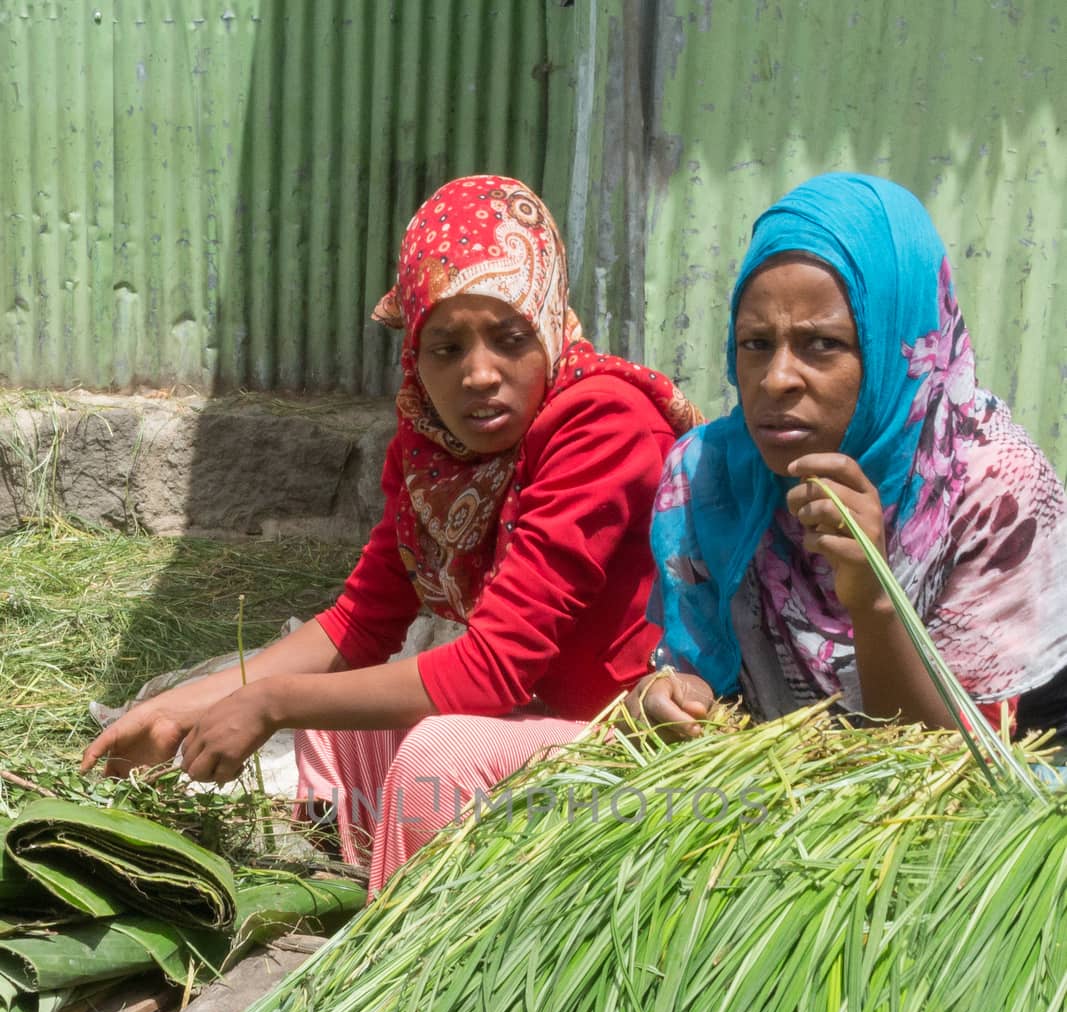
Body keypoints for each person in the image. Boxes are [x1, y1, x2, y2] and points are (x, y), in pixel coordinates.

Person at [82, 176, 701, 888]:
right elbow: (359, 625)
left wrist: (263, 701)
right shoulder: (431, 451)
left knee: (434, 751)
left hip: (630, 741)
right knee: (331, 728)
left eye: (509, 338)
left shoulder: (602, 423)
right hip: (532, 721)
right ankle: (360, 866)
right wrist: (174, 710)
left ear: (550, 324)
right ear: (413, 353)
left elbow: (492, 673)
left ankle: (407, 949)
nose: (478, 375)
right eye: (446, 348)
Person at [628, 173, 1067, 742]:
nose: (777, 379)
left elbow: (963, 766)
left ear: (895, 347)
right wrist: (664, 701)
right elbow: (699, 689)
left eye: (823, 345)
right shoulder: (708, 477)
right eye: (756, 344)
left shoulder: (991, 489)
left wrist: (876, 601)